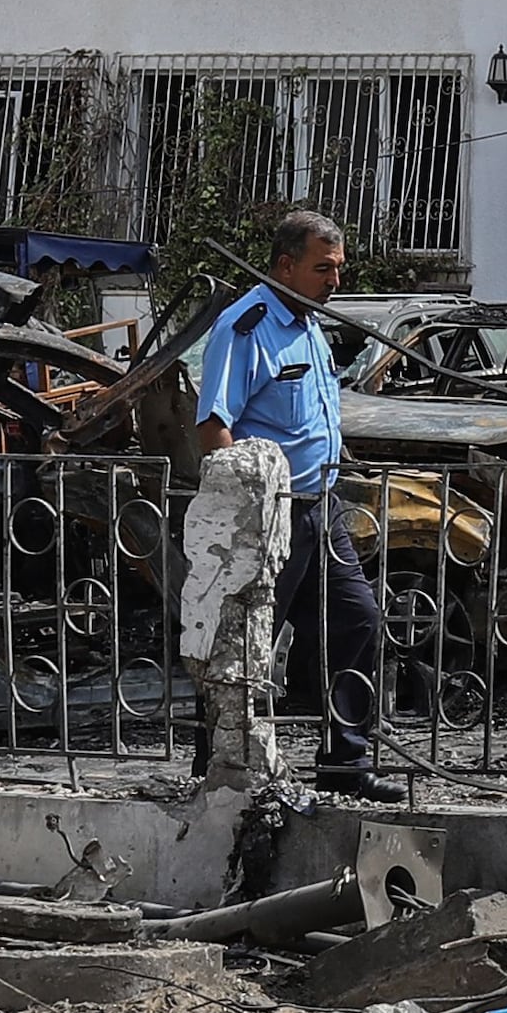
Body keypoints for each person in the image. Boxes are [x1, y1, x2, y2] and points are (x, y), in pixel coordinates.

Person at [192, 207, 403, 804]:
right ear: (286, 265)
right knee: (248, 642)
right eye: (322, 269)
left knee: (358, 619)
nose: (334, 280)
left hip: (321, 505)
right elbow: (214, 424)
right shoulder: (248, 325)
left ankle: (346, 765)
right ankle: (221, 769)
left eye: (338, 268)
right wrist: (244, 512)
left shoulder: (309, 322)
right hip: (270, 515)